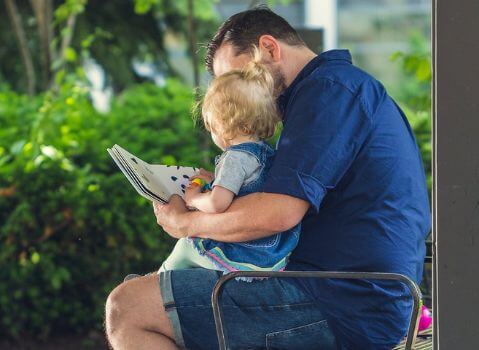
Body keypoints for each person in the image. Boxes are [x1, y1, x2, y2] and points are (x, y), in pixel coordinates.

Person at [105, 6, 430, 350]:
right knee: (149, 291)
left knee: (129, 307)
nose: (236, 94)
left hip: (345, 302)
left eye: (238, 78)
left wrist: (185, 224)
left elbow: (277, 214)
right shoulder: (334, 90)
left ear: (270, 48)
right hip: (348, 293)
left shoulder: (329, 92)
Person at [159, 47, 300, 274]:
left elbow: (217, 204)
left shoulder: (234, 158)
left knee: (186, 246)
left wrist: (194, 198)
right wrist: (215, 179)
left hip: (246, 253)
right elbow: (241, 188)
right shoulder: (264, 152)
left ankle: (158, 279)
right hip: (271, 252)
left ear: (223, 126)